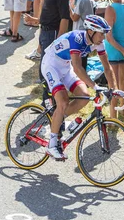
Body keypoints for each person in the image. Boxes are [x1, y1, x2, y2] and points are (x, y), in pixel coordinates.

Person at [41, 15, 117, 159]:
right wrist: (95, 86)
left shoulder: (98, 43)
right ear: (91, 31)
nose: (104, 38)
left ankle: (58, 120)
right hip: (51, 64)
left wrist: (113, 89)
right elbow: (77, 67)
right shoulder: (77, 38)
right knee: (63, 101)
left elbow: (107, 68)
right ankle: (51, 145)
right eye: (102, 34)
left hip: (64, 66)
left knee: (84, 97)